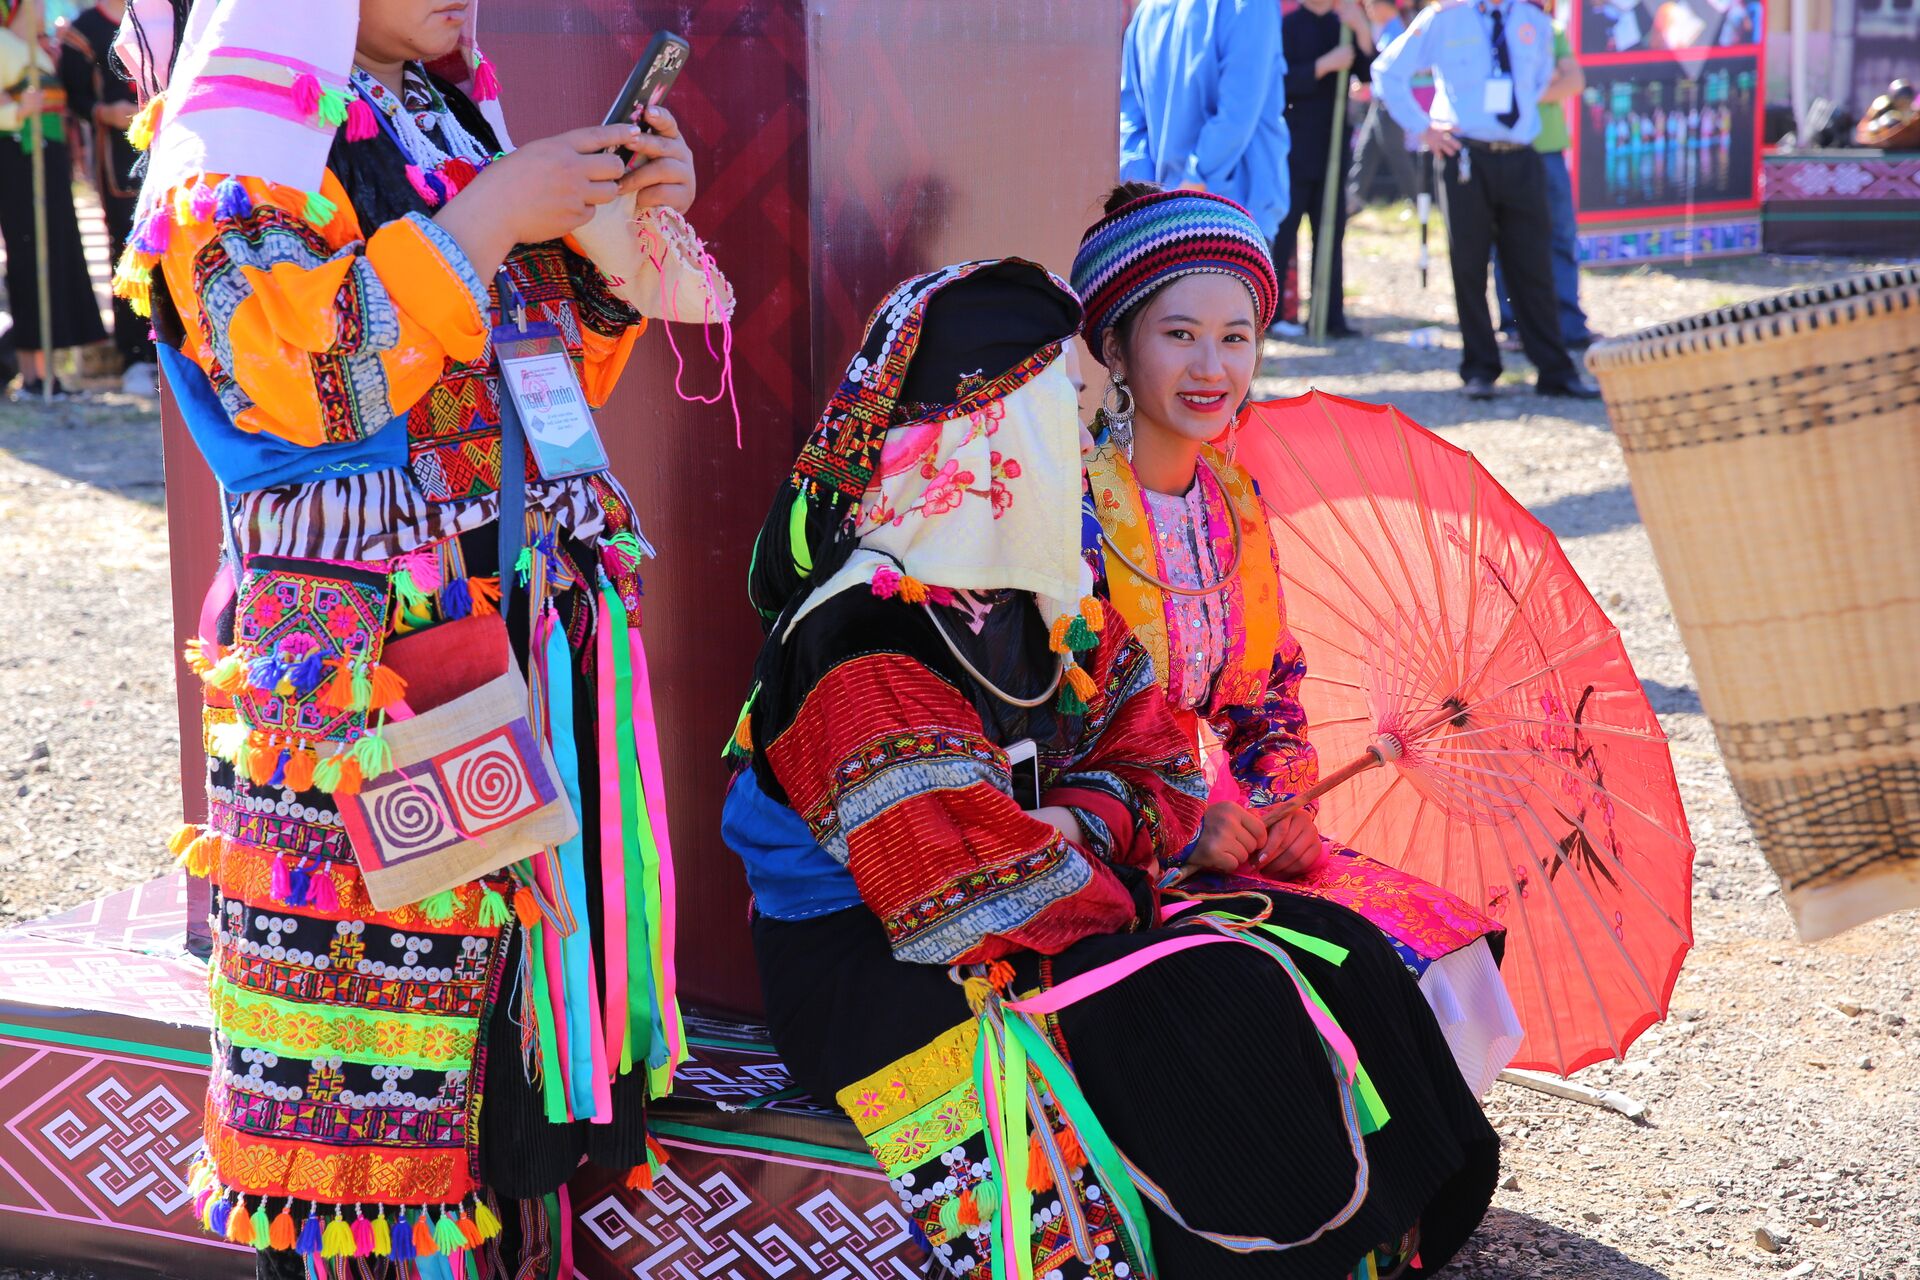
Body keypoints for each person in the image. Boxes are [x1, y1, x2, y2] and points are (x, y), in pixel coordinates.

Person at [727, 250, 1499, 1278]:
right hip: (876, 966)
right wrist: (1108, 853)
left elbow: (1160, 757)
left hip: (1043, 900)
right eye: (1046, 407)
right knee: (1217, 1001)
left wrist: (1079, 825)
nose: (1067, 433)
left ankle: (1365, 1251)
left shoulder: (1035, 591)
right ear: (979, 438)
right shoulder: (859, 641)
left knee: (1334, 950)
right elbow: (961, 896)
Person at [118, 0, 732, 1272]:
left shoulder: (432, 108)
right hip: (368, 651)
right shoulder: (234, 137)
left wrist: (599, 236)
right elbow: (293, 381)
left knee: (516, 1019)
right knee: (385, 1043)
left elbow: (524, 364)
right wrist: (495, 211)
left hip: (508, 608)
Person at [1074, 183, 1523, 1096]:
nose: (1213, 367)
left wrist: (1284, 809)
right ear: (1116, 346)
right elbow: (1060, 733)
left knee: (1448, 950)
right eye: (1179, 334)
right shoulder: (1072, 521)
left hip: (1234, 834)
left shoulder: (1236, 509)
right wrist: (1182, 827)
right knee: (1322, 983)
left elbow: (1270, 696)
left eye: (1236, 337)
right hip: (1121, 855)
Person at [1372, 0, 1603, 400]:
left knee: (1534, 266)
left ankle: (1554, 369)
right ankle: (1480, 369)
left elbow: (1539, 83)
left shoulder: (1535, 21)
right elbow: (1387, 72)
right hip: (1465, 156)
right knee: (1470, 264)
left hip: (1521, 155)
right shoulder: (1445, 17)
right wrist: (1423, 128)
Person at [0, 0, 106, 399]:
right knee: (31, 259)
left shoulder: (34, 47)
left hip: (48, 158)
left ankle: (48, 371)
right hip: (19, 159)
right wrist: (16, 112)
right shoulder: (5, 45)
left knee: (54, 257)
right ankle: (33, 374)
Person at [1119, 0, 1291, 241]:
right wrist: (1193, 183)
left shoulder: (1148, 10)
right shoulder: (1250, 5)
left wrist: (1149, 196)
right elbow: (1237, 112)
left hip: (1157, 218)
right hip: (1231, 219)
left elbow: (1129, 118)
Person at [57, 0, 157, 391]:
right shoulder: (84, 31)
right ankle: (133, 354)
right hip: (115, 155)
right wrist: (104, 112)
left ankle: (168, 352)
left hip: (162, 145)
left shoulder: (157, 16)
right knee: (126, 247)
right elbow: (72, 95)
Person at [1493, 2, 1597, 352]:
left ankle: (1569, 325)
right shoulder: (1490, 30)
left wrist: (1526, 90)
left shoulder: (1549, 29)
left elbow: (1574, 80)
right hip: (1505, 149)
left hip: (1549, 149)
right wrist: (1543, 80)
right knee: (1508, 240)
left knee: (1561, 238)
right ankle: (1515, 326)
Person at [1275, 0, 1373, 338]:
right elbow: (1279, 82)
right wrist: (1323, 65)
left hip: (1332, 147)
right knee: (1283, 234)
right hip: (1293, 147)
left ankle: (1330, 316)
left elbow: (1369, 72)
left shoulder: (1341, 26)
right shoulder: (1287, 26)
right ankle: (1273, 316)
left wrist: (1361, 30)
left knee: (1330, 231)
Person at [1345, 0, 1423, 212]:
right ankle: (1352, 201)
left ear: (1383, 5)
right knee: (1365, 152)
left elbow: (1389, 76)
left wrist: (1366, 90)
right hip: (1379, 105)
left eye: (1370, 5)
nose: (1368, 11)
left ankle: (1418, 202)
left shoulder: (1395, 32)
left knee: (1396, 156)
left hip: (1390, 106)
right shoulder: (1388, 30)